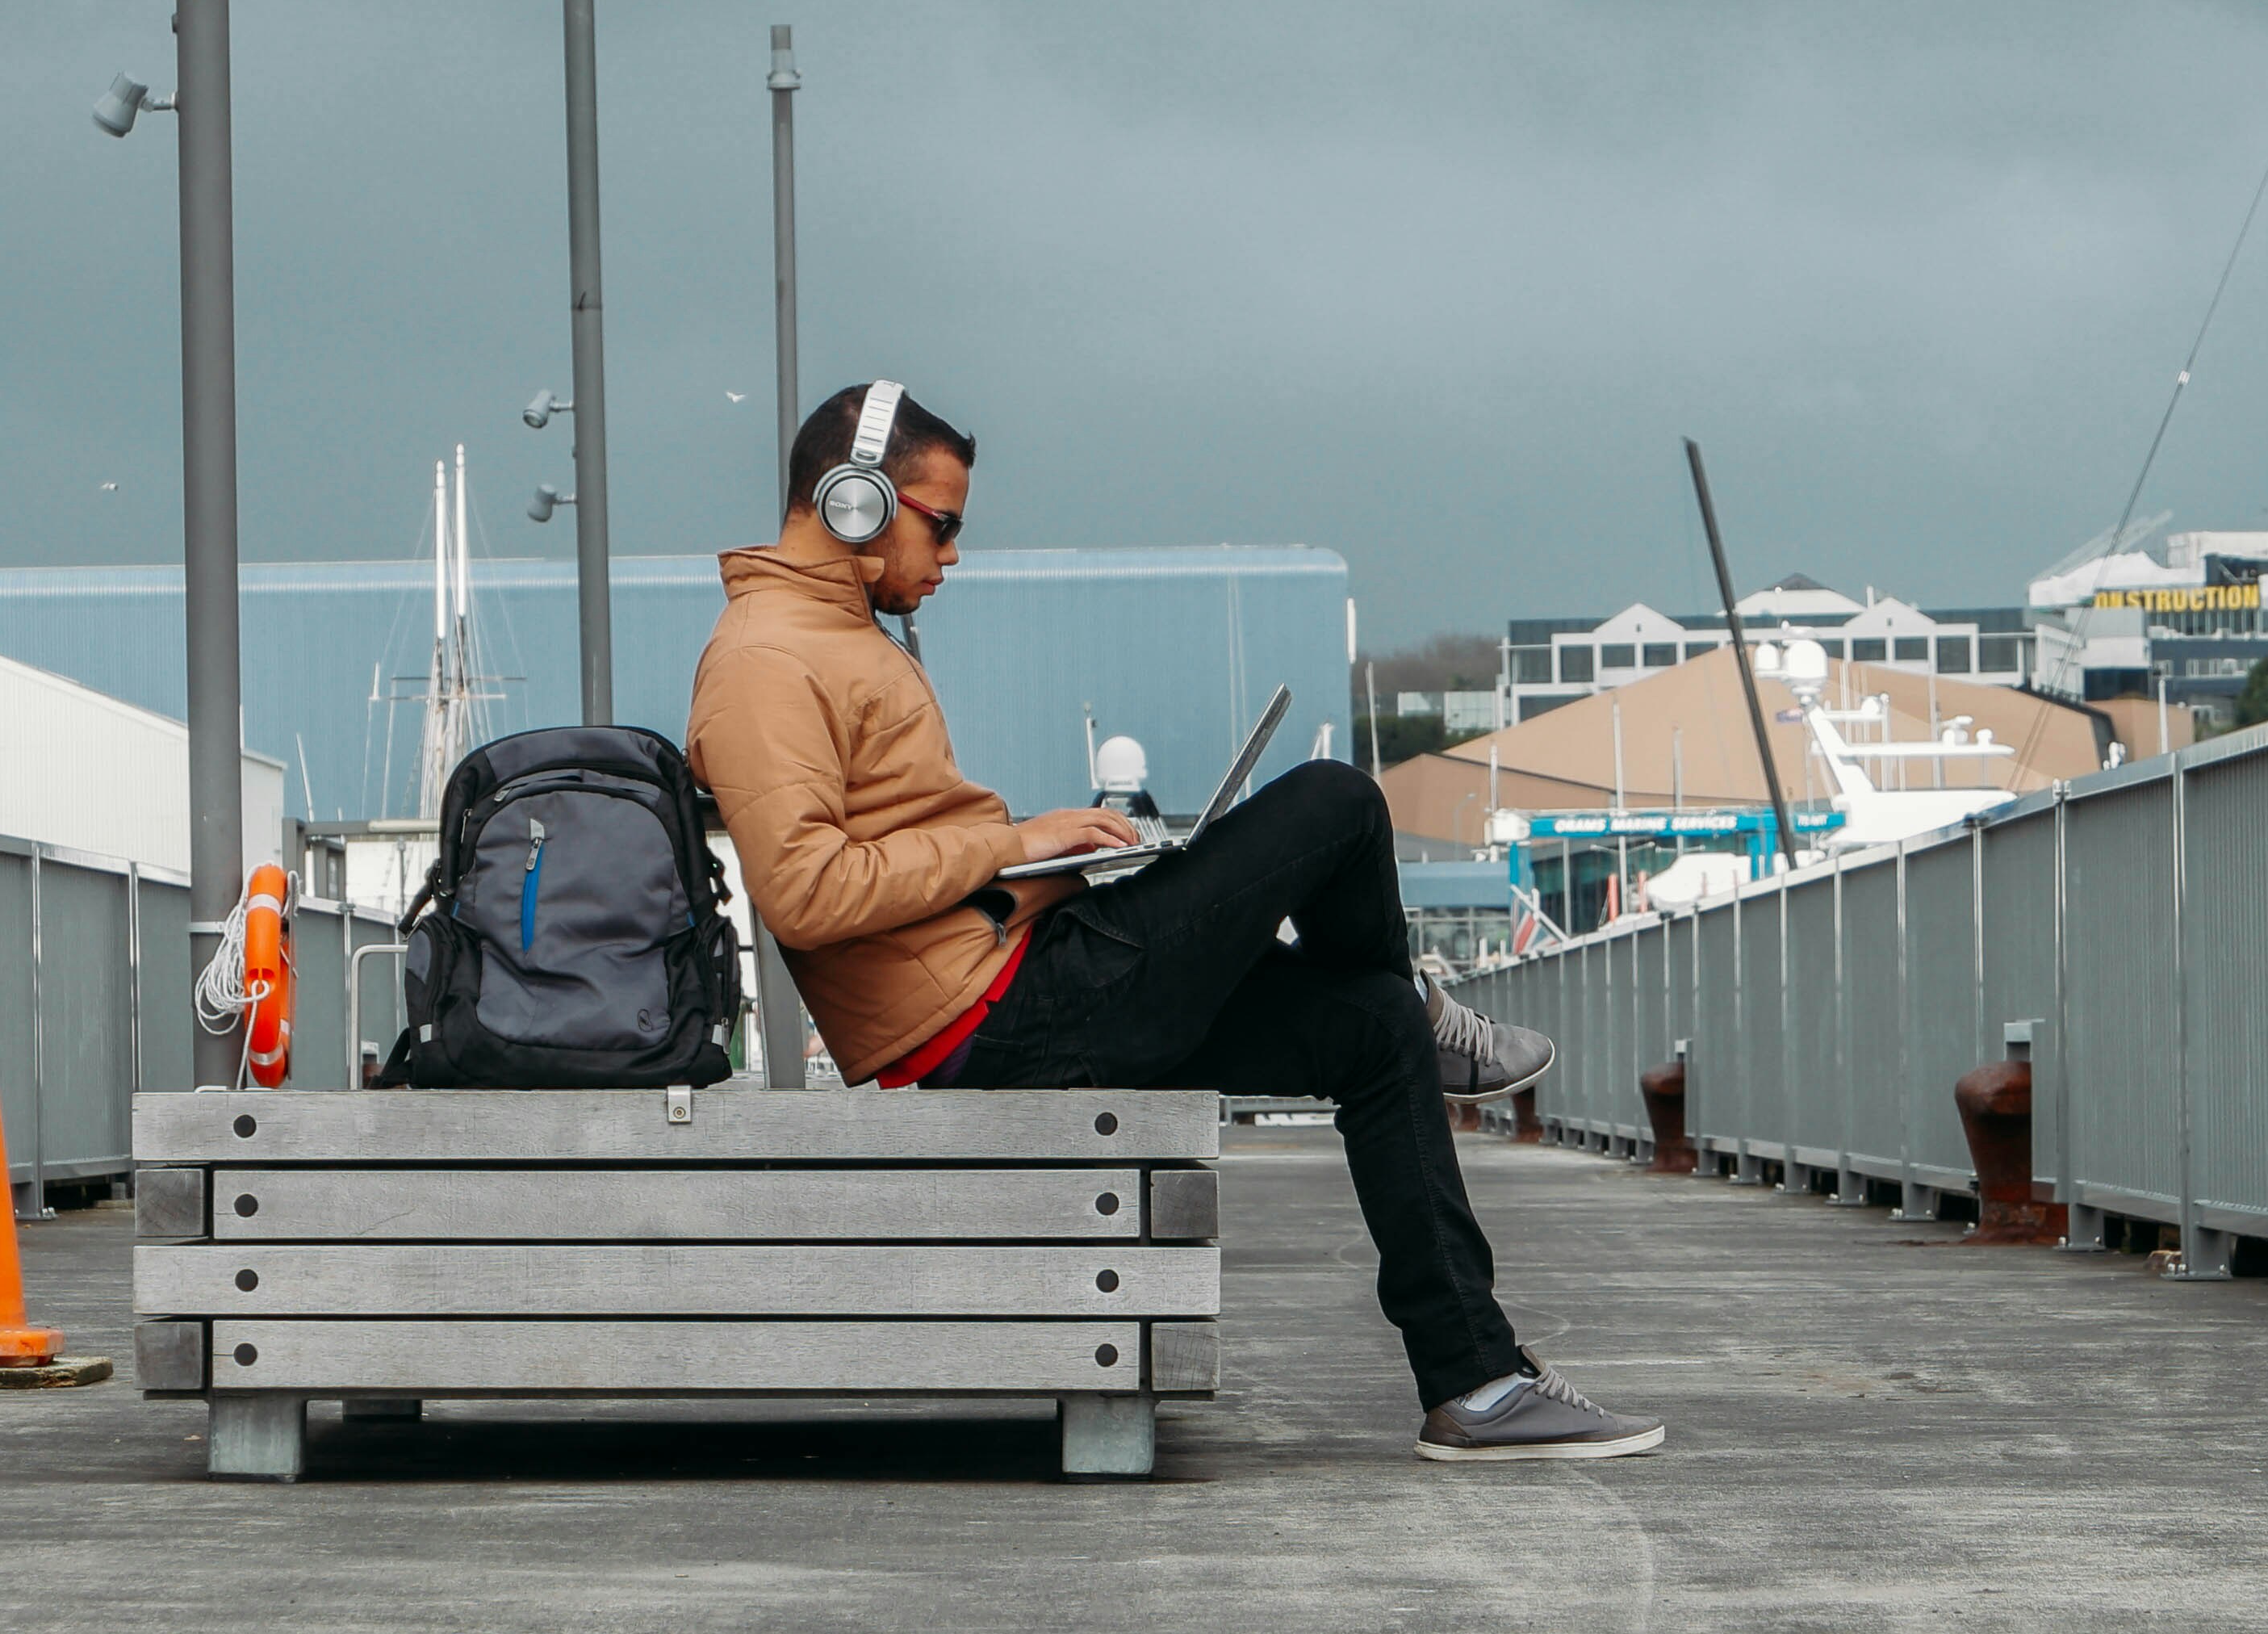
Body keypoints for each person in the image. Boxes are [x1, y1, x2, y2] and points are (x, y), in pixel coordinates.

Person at [688, 381, 1664, 1463]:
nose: (954, 556)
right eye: (945, 522)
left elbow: (895, 861)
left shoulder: (836, 637)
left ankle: (1477, 1384)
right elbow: (805, 891)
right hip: (1003, 1021)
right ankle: (1427, 1010)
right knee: (1337, 802)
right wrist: (1017, 841)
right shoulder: (767, 660)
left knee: (1370, 1028)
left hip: (1027, 979)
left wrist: (1059, 862)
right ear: (856, 502)